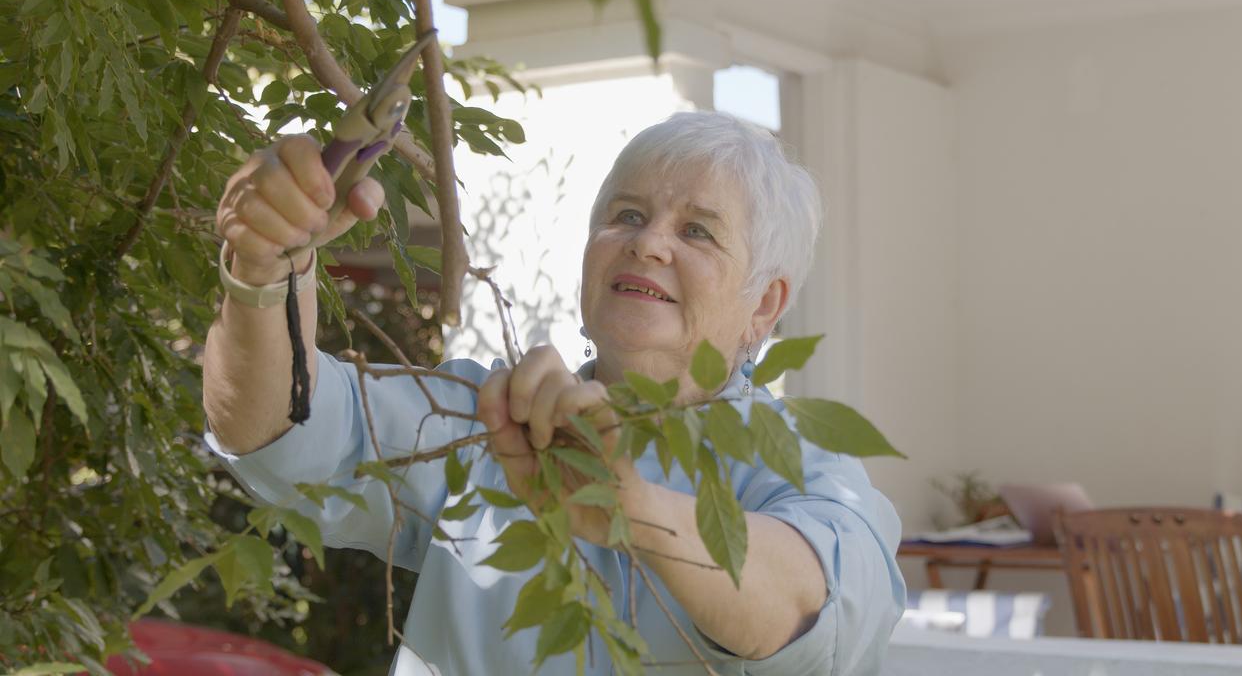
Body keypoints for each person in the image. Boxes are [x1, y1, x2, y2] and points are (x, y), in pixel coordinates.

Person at [203, 111, 905, 675]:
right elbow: (279, 432)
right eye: (627, 215)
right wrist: (262, 270)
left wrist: (632, 506)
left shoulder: (805, 467)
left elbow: (809, 611)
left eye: (697, 231)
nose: (648, 244)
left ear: (764, 306)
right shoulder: (491, 416)